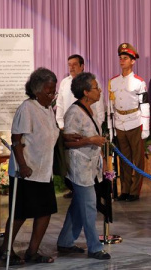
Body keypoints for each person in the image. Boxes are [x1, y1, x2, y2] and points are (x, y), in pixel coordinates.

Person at [0, 68, 59, 265]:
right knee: (20, 213)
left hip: (43, 170)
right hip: (26, 171)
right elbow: (16, 139)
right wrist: (22, 165)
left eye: (53, 91)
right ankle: (5, 250)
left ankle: (32, 251)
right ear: (36, 91)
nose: (52, 96)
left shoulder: (48, 109)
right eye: (49, 92)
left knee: (45, 211)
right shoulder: (27, 108)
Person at [57, 72, 111, 259]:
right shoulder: (74, 112)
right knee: (88, 206)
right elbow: (68, 142)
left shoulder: (90, 110)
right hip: (79, 166)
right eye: (96, 88)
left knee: (78, 206)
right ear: (86, 92)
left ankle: (65, 242)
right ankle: (95, 247)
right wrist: (91, 140)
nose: (99, 90)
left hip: (90, 166)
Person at [55, 54, 105, 199]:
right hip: (70, 129)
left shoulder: (91, 83)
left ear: (82, 66)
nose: (71, 67)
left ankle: (89, 188)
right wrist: (60, 124)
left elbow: (99, 110)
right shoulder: (65, 83)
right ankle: (77, 188)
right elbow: (60, 104)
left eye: (75, 64)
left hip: (89, 128)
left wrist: (95, 129)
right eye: (69, 64)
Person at [108, 43, 149, 201]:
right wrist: (111, 129)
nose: (122, 61)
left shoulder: (139, 82)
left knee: (137, 160)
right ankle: (124, 189)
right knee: (123, 159)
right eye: (121, 58)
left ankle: (134, 191)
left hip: (134, 122)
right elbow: (110, 108)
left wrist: (145, 128)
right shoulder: (113, 82)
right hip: (119, 123)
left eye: (125, 58)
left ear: (133, 61)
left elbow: (145, 106)